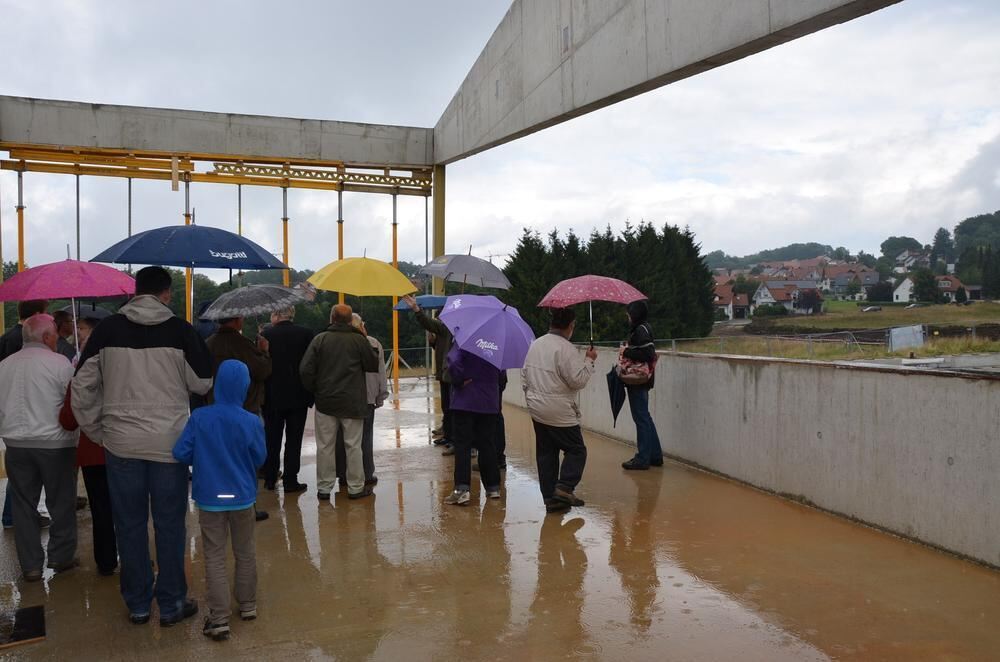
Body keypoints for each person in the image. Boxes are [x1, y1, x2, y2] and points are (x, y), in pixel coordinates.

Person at [72, 266, 213, 626]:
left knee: (129, 524)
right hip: (169, 444)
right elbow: (201, 383)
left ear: (136, 292)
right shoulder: (181, 330)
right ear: (166, 294)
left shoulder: (107, 330)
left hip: (120, 443)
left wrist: (96, 429)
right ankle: (171, 604)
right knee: (169, 524)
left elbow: (81, 386)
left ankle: (137, 603)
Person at [173, 360, 266, 642]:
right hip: (242, 497)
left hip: (211, 498)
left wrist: (203, 460)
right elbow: (260, 458)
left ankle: (219, 618)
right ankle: (248, 606)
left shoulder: (200, 417)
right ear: (244, 386)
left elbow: (180, 452)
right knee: (245, 551)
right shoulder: (252, 420)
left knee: (214, 556)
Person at [0, 314, 78, 581]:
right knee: (61, 502)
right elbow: (73, 402)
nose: (57, 338)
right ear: (46, 337)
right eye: (55, 334)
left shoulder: (4, 365)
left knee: (22, 505)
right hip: (56, 444)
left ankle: (31, 566)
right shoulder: (60, 364)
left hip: (15, 444)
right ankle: (61, 557)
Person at [521, 308, 597, 513]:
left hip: (536, 408)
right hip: (560, 411)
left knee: (546, 454)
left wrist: (531, 398)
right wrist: (589, 361)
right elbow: (577, 380)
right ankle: (564, 487)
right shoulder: (566, 349)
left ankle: (551, 499)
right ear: (570, 325)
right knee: (577, 450)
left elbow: (524, 376)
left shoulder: (535, 344)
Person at [300, 304, 379, 501]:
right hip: (353, 402)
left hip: (326, 401)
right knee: (353, 445)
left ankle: (324, 488)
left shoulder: (320, 339)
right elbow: (372, 364)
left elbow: (305, 370)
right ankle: (355, 487)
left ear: (332, 318)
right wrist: (363, 335)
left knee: (325, 446)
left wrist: (316, 389)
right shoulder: (358, 340)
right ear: (349, 320)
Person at [59, 316, 118, 576]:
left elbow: (68, 420)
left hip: (93, 453)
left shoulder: (80, 376)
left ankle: (105, 562)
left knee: (101, 510)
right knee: (129, 509)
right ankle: (133, 556)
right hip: (123, 449)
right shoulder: (122, 375)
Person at [1, 299, 51, 531]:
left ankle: (13, 514)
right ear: (38, 314)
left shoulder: (6, 338)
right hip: (28, 412)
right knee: (24, 476)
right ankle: (13, 515)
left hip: (11, 413)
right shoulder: (21, 340)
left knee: (19, 472)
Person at [261, 307, 314, 492]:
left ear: (275, 315)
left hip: (272, 396)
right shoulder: (306, 334)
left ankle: (270, 477)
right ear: (293, 314)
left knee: (271, 439)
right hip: (299, 396)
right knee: (294, 440)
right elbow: (311, 365)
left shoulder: (265, 335)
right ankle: (291, 480)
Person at [443, 346, 502, 506]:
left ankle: (462, 490)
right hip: (489, 402)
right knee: (487, 444)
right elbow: (502, 373)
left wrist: (459, 380)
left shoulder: (464, 339)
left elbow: (454, 362)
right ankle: (493, 487)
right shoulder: (496, 344)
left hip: (465, 401)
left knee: (463, 445)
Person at [402, 295, 454, 452]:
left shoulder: (449, 328)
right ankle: (449, 436)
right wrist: (433, 341)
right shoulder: (446, 330)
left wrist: (417, 310)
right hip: (445, 373)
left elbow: (427, 322)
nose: (439, 320)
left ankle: (454, 439)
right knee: (447, 406)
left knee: (452, 408)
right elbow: (440, 347)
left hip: (452, 374)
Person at [620, 300, 664, 470]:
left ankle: (643, 458)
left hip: (637, 380)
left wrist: (626, 351)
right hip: (642, 380)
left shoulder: (640, 329)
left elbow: (647, 353)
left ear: (635, 314)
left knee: (641, 418)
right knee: (645, 417)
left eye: (629, 313)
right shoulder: (644, 327)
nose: (627, 317)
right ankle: (655, 455)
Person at [351, 313, 388, 486]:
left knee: (346, 438)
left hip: (345, 398)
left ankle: (346, 475)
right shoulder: (373, 343)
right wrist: (381, 396)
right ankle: (367, 473)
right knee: (366, 437)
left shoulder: (339, 342)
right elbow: (380, 372)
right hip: (368, 397)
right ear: (361, 326)